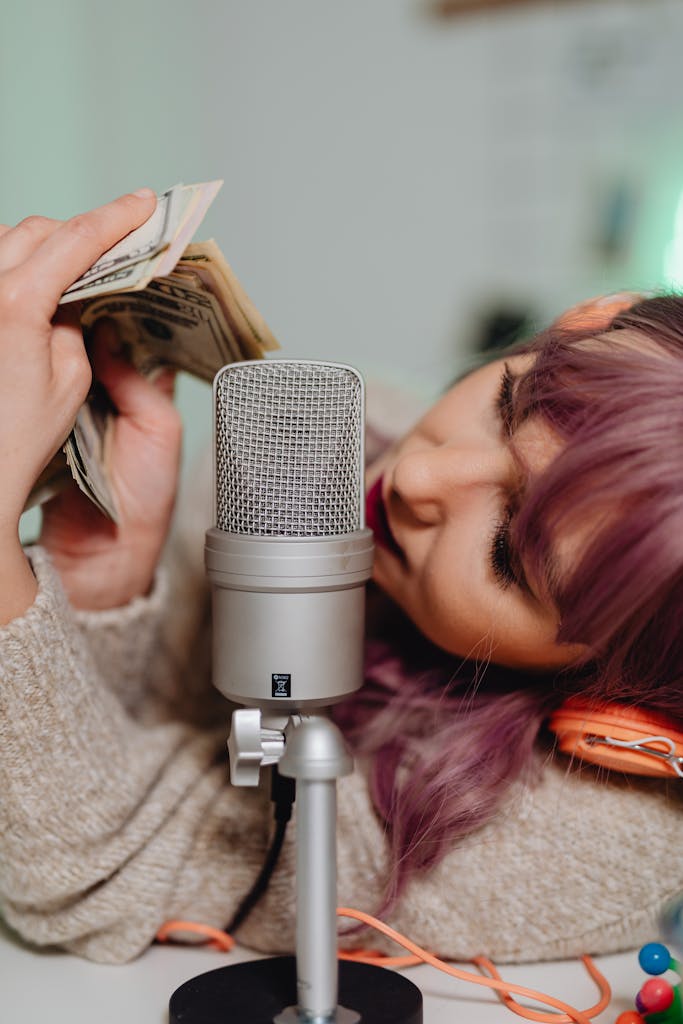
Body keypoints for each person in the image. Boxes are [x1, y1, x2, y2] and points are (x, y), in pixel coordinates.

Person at [0, 192, 681, 966]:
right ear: (584, 319)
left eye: (504, 554)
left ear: (621, 696)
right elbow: (136, 782)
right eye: (503, 401)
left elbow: (89, 872)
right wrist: (106, 574)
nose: (416, 475)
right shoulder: (307, 450)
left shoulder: (592, 841)